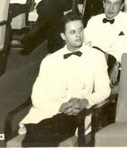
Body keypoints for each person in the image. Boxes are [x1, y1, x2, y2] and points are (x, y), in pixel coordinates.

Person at [19, 12, 110, 147]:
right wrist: (60, 107)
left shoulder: (96, 56)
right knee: (37, 136)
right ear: (63, 36)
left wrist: (85, 102)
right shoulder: (50, 60)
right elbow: (37, 97)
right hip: (48, 111)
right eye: (72, 32)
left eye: (80, 30)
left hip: (77, 113)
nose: (78, 35)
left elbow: (104, 90)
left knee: (39, 137)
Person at [83, 0, 127, 85]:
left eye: (116, 4)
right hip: (92, 65)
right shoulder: (94, 21)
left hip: (118, 66)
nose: (111, 8)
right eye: (108, 3)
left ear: (122, 6)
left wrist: (118, 64)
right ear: (103, 3)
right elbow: (83, 44)